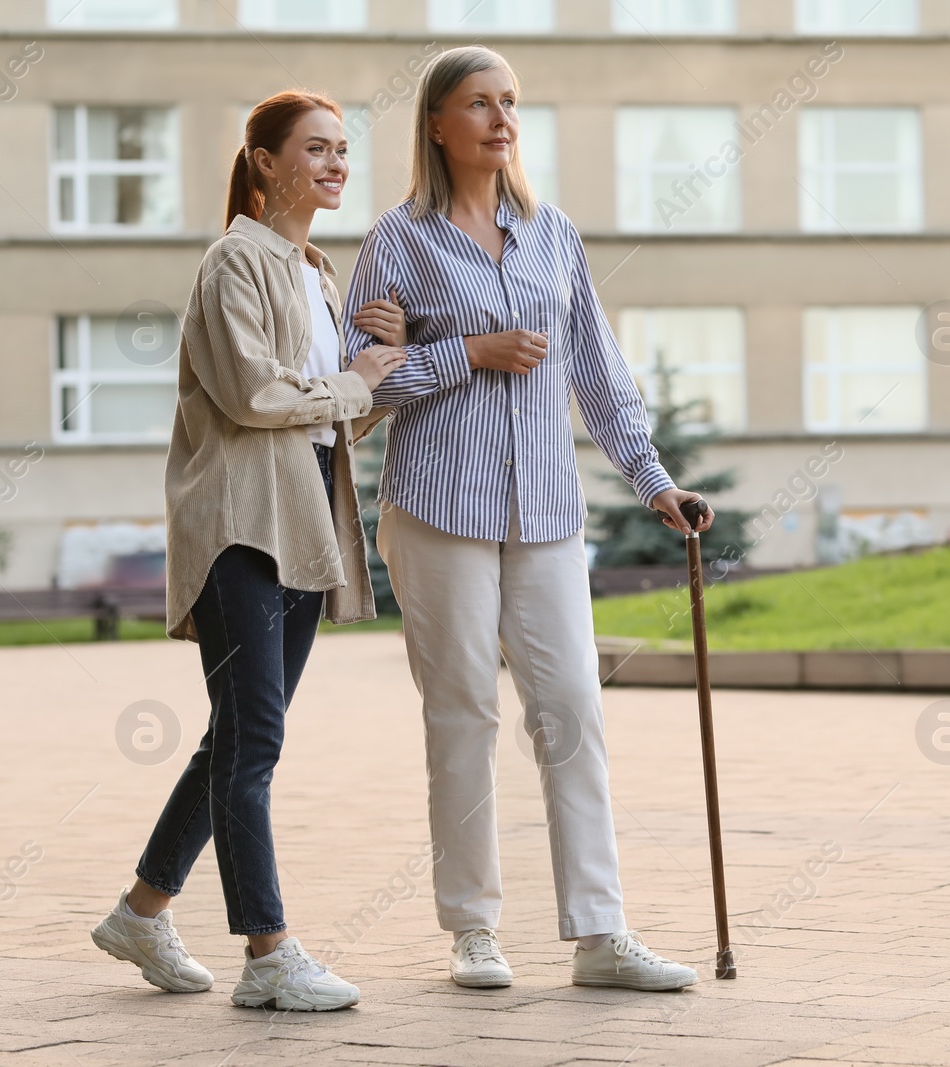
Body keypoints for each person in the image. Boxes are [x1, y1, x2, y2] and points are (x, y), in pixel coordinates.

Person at [343, 45, 710, 992]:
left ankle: (600, 933)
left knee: (572, 712)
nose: (501, 119)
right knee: (462, 712)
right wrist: (471, 352)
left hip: (546, 510)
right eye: (478, 103)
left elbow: (598, 368)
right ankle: (473, 929)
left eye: (510, 102)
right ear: (436, 123)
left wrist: (654, 479)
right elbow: (357, 390)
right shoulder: (397, 240)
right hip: (439, 510)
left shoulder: (555, 235)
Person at [90, 90, 409, 1012]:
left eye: (344, 150)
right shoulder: (238, 259)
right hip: (238, 521)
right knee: (254, 740)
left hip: (305, 519)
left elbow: (330, 414)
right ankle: (268, 953)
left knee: (240, 736)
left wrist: (380, 370)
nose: (336, 164)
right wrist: (354, 379)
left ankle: (142, 911)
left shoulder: (318, 269)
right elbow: (254, 397)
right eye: (316, 148)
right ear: (264, 161)